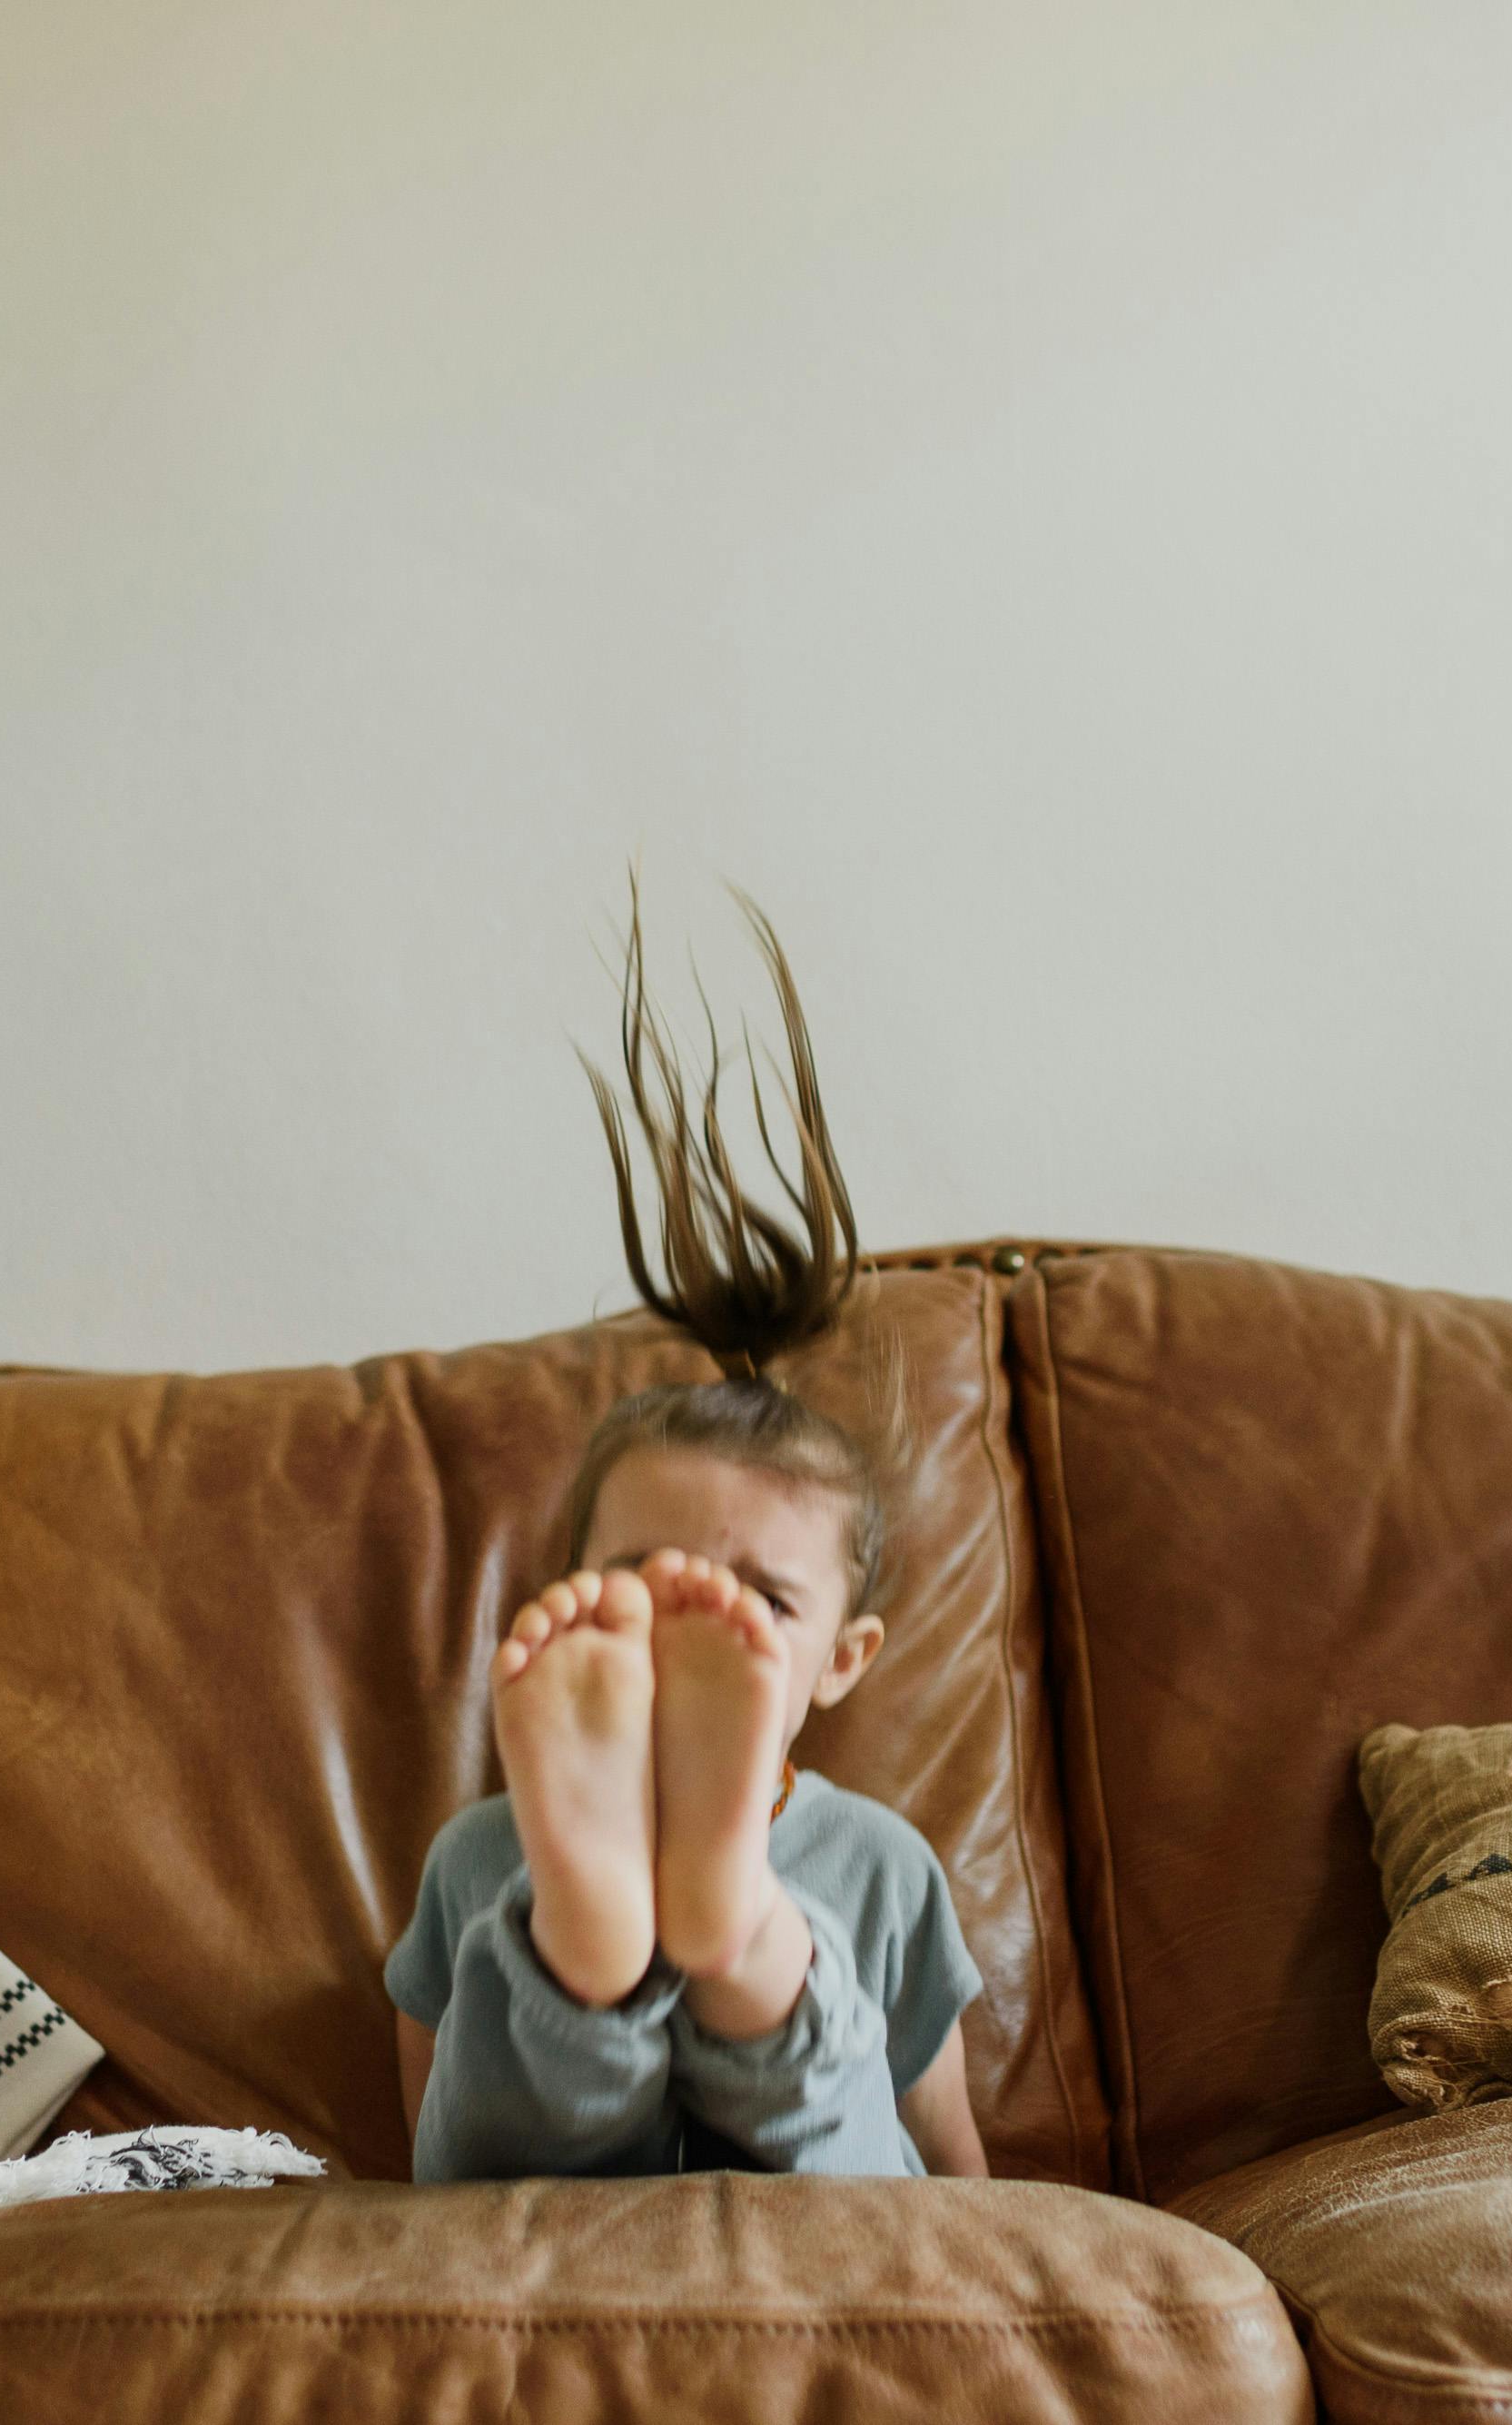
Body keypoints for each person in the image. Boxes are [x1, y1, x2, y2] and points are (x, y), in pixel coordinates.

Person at [384, 896, 988, 2182]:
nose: (685, 1618)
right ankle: (593, 1947)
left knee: (844, 2139)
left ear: (844, 1654)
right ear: (568, 1598)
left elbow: (945, 2165)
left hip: (813, 2228)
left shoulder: (885, 1865)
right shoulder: (480, 1850)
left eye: (759, 1598)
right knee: (515, 2056)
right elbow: (428, 2178)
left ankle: (729, 1934)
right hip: (547, 2214)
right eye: (638, 1585)